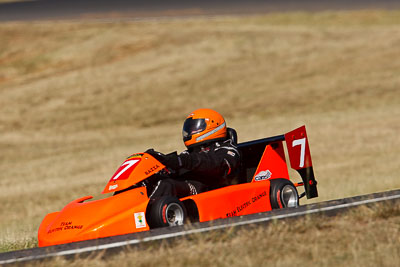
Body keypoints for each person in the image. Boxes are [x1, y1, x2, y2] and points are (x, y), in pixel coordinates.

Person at [146, 108, 240, 200]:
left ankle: (147, 213)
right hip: (190, 187)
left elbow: (216, 165)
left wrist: (181, 161)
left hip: (211, 189)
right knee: (152, 182)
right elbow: (177, 167)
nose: (190, 132)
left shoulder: (228, 149)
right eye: (189, 129)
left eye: (194, 129)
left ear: (212, 127)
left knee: (167, 185)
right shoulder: (191, 152)